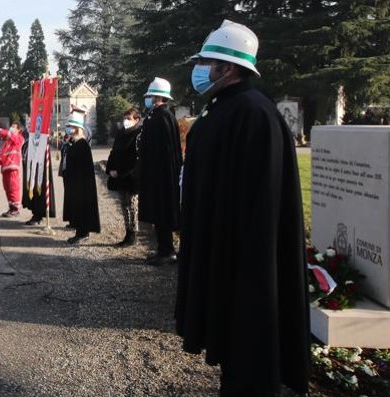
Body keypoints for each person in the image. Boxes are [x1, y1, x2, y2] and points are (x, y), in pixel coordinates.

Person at [176, 20, 308, 395]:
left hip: (243, 259)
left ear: (228, 67)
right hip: (223, 247)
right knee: (233, 351)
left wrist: (240, 260)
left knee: (248, 347)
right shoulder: (225, 106)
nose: (200, 70)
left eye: (206, 62)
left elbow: (259, 201)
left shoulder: (253, 113)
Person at [137, 77, 183, 265]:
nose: (147, 99)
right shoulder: (156, 117)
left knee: (162, 213)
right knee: (157, 213)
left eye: (150, 96)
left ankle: (167, 251)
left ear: (158, 97)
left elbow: (164, 152)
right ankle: (162, 248)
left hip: (161, 176)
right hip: (155, 174)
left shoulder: (163, 118)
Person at [61, 108, 100, 244]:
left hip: (81, 184)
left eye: (70, 127)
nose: (68, 129)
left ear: (77, 128)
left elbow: (83, 168)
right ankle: (79, 231)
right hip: (74, 182)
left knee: (82, 208)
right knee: (75, 207)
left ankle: (83, 232)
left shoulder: (82, 145)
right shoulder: (74, 143)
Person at [106, 108, 143, 248]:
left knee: (132, 205)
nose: (126, 121)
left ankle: (133, 234)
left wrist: (122, 172)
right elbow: (114, 152)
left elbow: (135, 159)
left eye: (129, 118)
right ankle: (127, 233)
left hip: (131, 177)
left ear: (136, 119)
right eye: (125, 118)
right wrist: (110, 169)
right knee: (124, 206)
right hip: (118, 176)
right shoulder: (121, 133)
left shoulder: (139, 134)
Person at [0, 123, 24, 217]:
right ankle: (11, 207)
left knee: (13, 188)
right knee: (7, 189)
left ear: (18, 129)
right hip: (5, 168)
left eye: (14, 127)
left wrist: (0, 130)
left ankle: (16, 209)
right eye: (11, 126)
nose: (11, 128)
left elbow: (12, 137)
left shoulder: (19, 138)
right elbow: (3, 153)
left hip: (13, 168)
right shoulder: (7, 142)